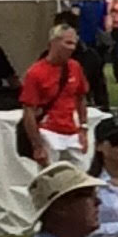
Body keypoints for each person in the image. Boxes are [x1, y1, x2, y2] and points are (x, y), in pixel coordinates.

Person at [17, 20, 93, 157]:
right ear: (54, 43)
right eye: (68, 43)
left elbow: (81, 98)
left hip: (72, 131)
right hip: (48, 132)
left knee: (80, 174)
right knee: (52, 176)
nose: (72, 48)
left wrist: (83, 128)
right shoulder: (35, 72)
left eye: (74, 43)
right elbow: (28, 111)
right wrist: (37, 145)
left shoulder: (75, 67)